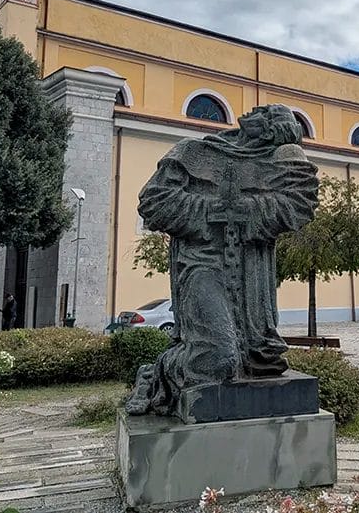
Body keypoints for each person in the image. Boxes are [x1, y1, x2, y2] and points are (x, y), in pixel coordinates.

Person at [126, 104, 318, 416]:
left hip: (253, 275)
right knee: (220, 357)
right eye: (266, 112)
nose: (259, 112)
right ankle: (154, 374)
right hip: (201, 264)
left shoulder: (281, 159)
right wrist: (210, 211)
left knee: (263, 360)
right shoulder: (192, 152)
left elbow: (299, 204)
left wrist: (246, 210)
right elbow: (154, 202)